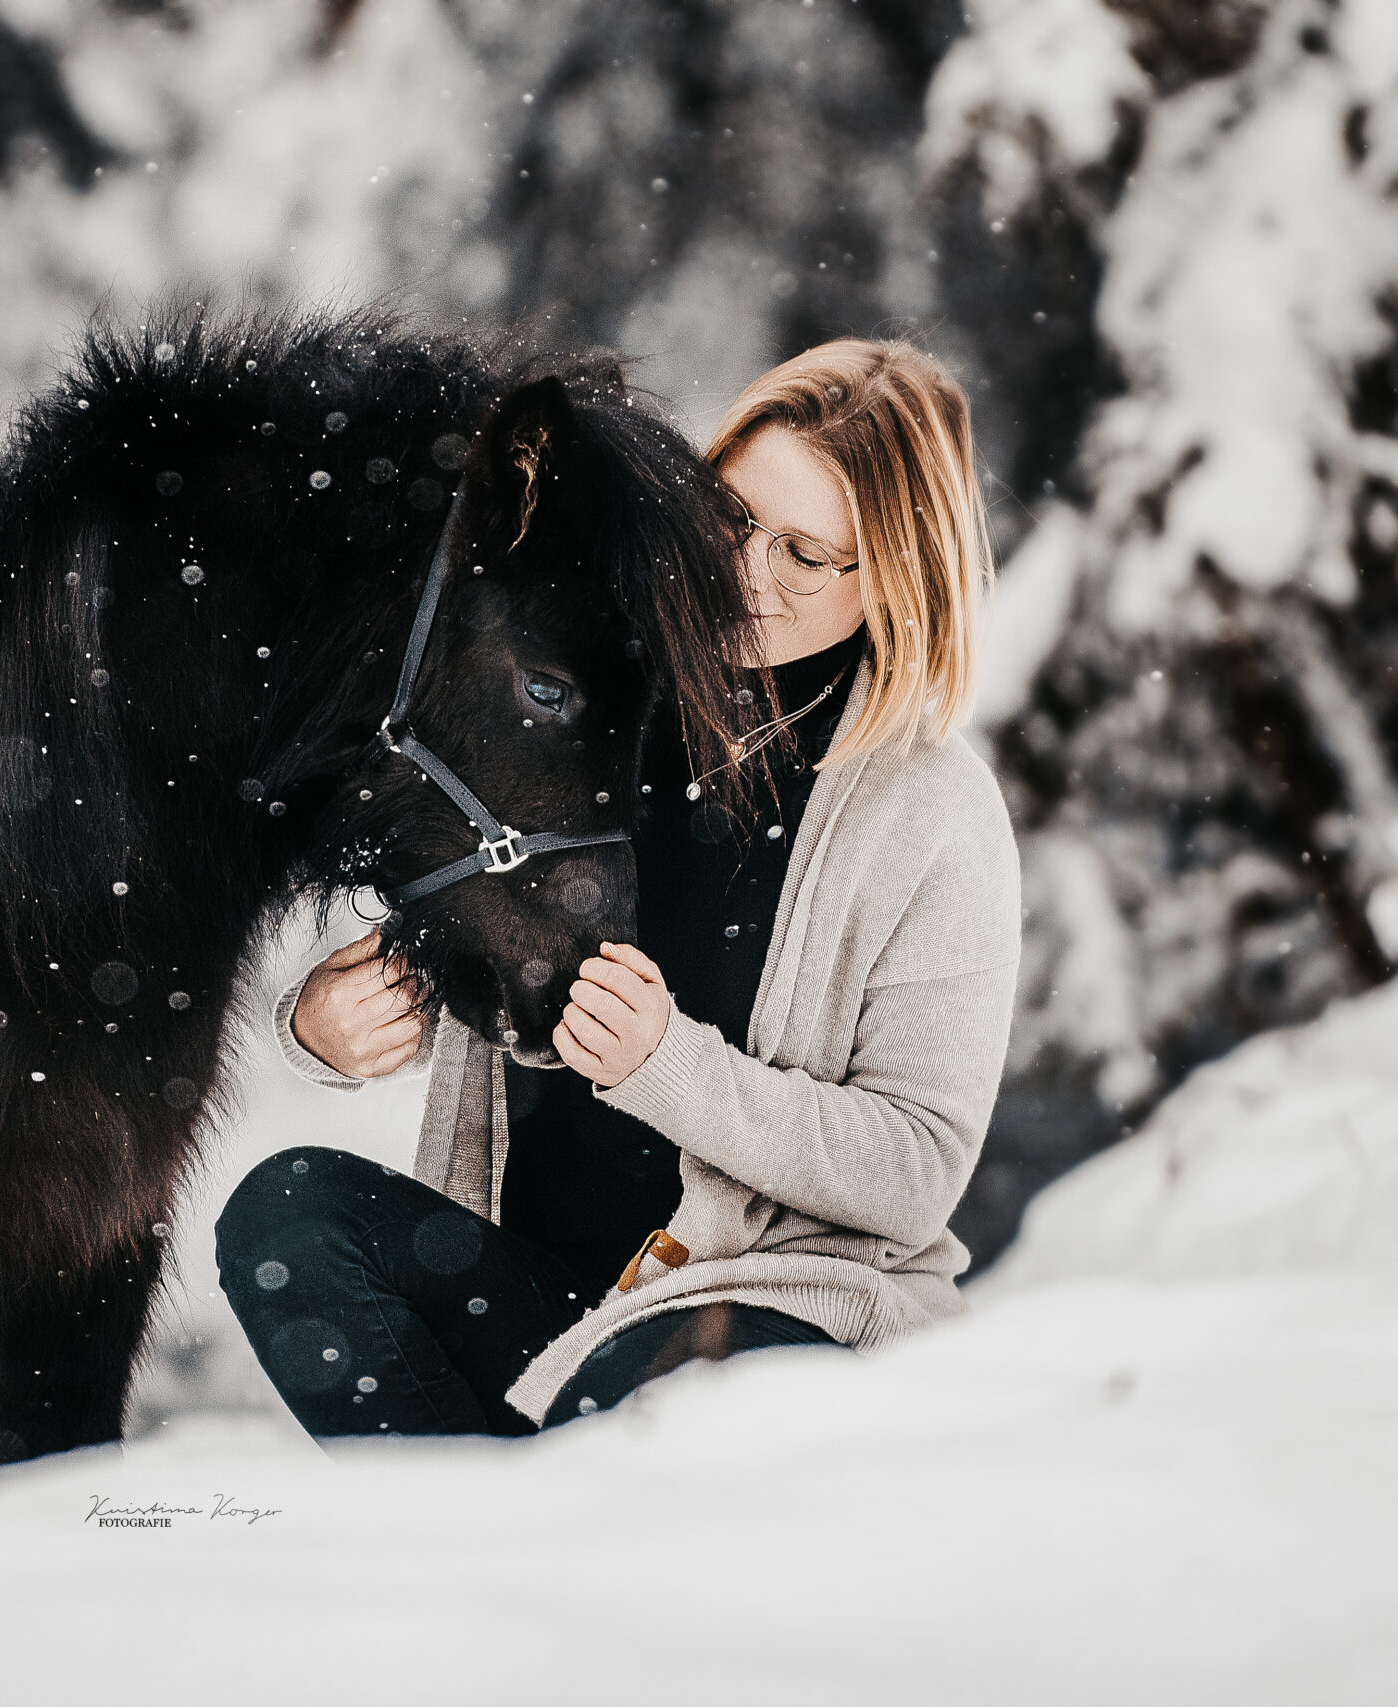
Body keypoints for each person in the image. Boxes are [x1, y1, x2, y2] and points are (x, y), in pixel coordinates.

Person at [215, 338, 1020, 1436]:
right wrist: (326, 1025)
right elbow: (472, 892)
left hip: (768, 1311)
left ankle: (513, 1555)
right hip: (543, 1295)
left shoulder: (928, 807)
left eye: (805, 554)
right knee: (287, 1219)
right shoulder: (592, 690)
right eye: (733, 519)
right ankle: (462, 1551)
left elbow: (913, 1171)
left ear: (892, 579)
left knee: (632, 1408)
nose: (749, 575)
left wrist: (668, 1069)